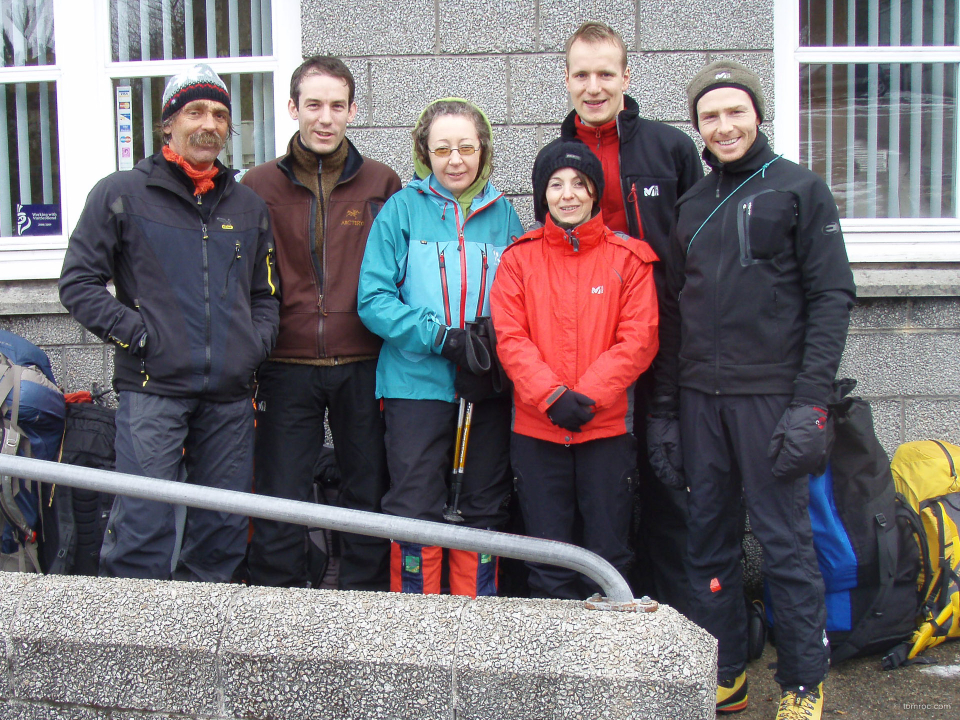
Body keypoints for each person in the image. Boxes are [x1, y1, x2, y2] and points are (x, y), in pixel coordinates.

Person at [648, 60, 856, 720]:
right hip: (700, 400)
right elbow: (675, 313)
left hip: (772, 401)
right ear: (699, 129)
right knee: (707, 546)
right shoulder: (691, 205)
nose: (724, 125)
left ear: (757, 115)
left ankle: (802, 682)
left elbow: (831, 297)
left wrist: (810, 403)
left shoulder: (800, 189)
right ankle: (727, 672)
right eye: (711, 116)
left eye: (735, 111)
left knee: (784, 543)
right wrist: (665, 414)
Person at [59, 64, 280, 582]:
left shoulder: (247, 206)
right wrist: (138, 335)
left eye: (220, 114)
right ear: (167, 125)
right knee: (143, 526)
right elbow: (78, 284)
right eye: (195, 111)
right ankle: (135, 646)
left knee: (222, 530)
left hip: (229, 396)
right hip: (152, 388)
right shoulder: (121, 194)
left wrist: (253, 345)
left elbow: (266, 295)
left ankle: (201, 646)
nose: (209, 124)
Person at [550, 20, 704, 612]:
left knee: (665, 474)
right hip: (588, 349)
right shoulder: (559, 156)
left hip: (664, 340)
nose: (594, 86)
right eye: (582, 74)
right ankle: (603, 602)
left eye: (605, 73)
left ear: (625, 77)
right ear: (567, 80)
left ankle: (672, 610)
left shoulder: (668, 147)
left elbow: (697, 238)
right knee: (605, 484)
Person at [241, 56, 401, 591]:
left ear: (354, 110)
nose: (325, 117)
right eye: (314, 105)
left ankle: (363, 599)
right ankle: (279, 602)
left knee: (367, 489)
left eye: (337, 105)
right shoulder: (258, 184)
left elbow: (399, 267)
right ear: (293, 108)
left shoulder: (381, 181)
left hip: (364, 361)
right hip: (286, 363)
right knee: (281, 492)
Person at [358, 98, 523, 597]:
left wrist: (493, 343)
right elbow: (373, 298)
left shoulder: (504, 216)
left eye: (466, 148)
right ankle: (417, 625)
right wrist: (440, 337)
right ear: (424, 153)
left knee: (484, 505)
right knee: (414, 503)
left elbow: (521, 291)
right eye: (442, 149)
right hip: (416, 382)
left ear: (483, 151)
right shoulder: (402, 209)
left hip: (484, 383)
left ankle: (473, 626)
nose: (455, 160)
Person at [490, 141, 659, 599]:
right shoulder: (518, 260)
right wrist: (552, 397)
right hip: (538, 431)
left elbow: (638, 339)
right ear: (542, 195)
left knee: (609, 556)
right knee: (547, 560)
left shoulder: (629, 259)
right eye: (556, 184)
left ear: (594, 193)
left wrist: (587, 397)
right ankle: (555, 664)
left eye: (579, 184)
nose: (568, 195)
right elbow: (511, 338)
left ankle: (610, 662)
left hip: (604, 430)